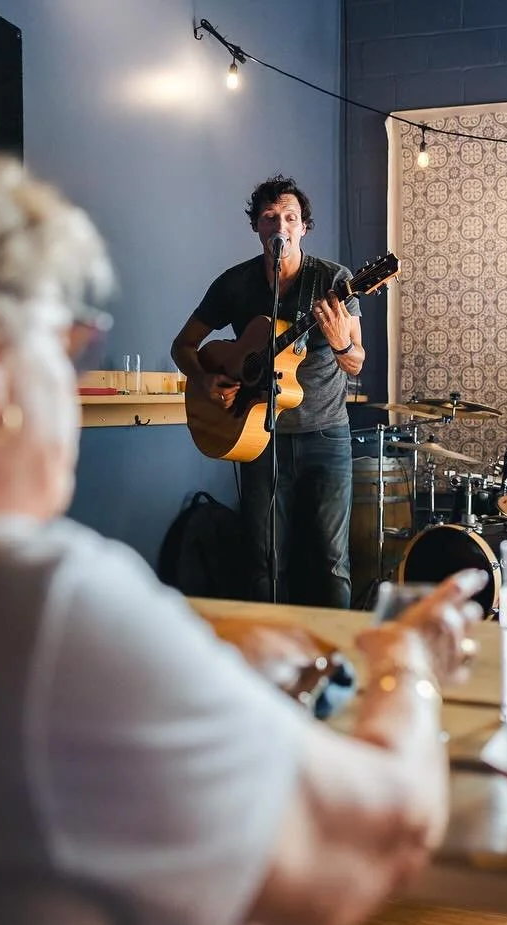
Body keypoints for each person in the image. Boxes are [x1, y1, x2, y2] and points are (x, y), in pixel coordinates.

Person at [0, 77, 487, 925]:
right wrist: (403, 667)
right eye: (70, 342)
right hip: (264, 455)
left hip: (320, 433)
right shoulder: (49, 608)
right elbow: (370, 843)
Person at [171, 175, 363, 608]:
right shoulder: (234, 284)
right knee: (262, 559)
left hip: (325, 436)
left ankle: (337, 660)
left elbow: (356, 362)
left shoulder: (334, 280)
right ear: (257, 227)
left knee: (331, 561)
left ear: (304, 227)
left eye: (290, 218)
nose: (281, 226)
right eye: (270, 218)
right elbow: (182, 345)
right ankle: (266, 658)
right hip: (258, 436)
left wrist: (341, 343)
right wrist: (204, 379)